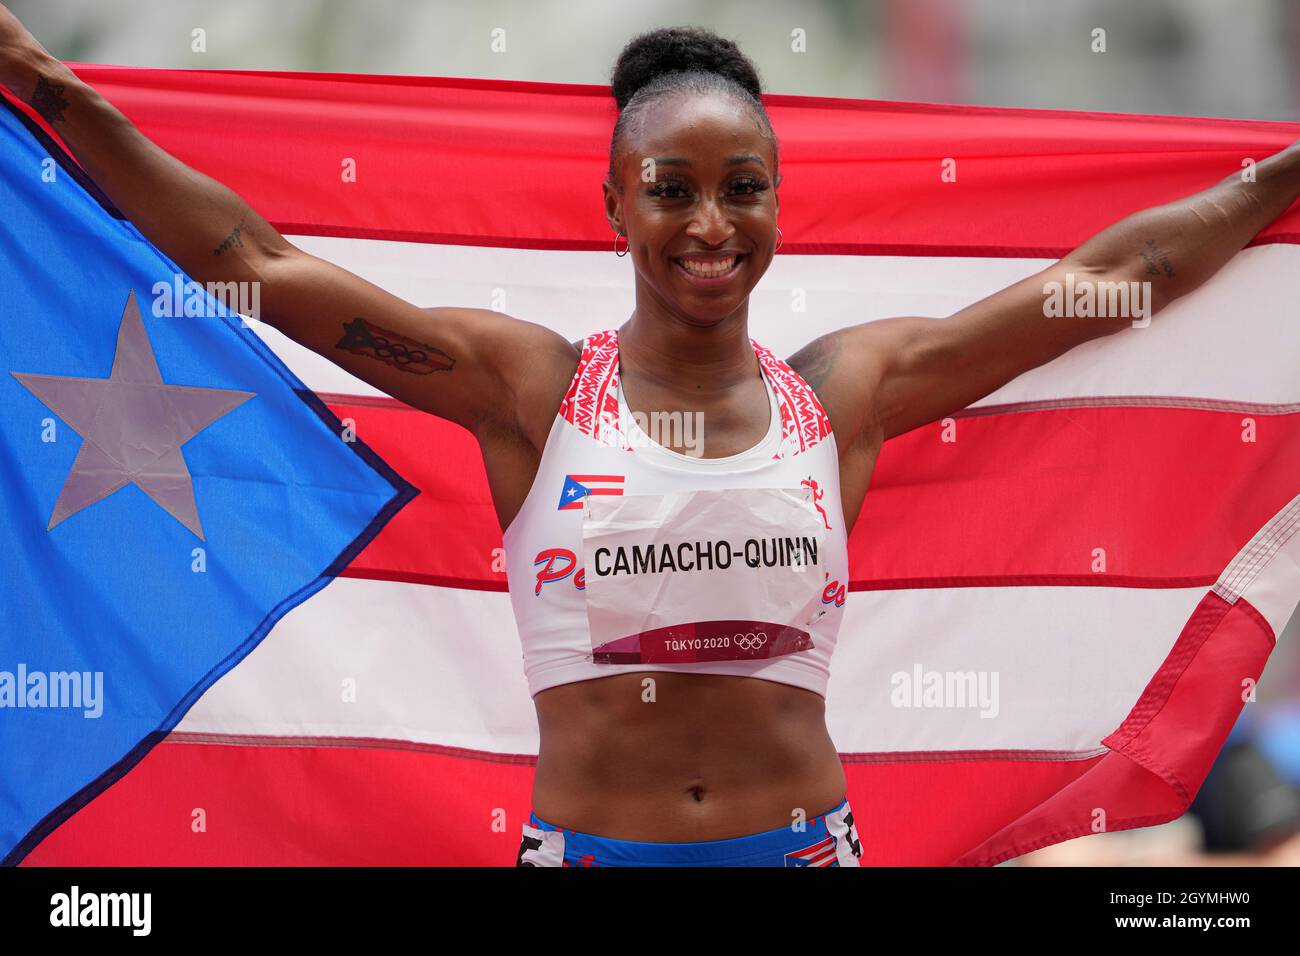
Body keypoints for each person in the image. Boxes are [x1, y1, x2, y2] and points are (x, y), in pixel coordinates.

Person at [3, 12, 1298, 867]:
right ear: (616, 200)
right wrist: (45, 84)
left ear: (777, 202)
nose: (710, 223)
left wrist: (1273, 183)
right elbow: (259, 263)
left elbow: (1097, 285)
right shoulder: (526, 391)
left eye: (743, 189)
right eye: (673, 190)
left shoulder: (847, 392)